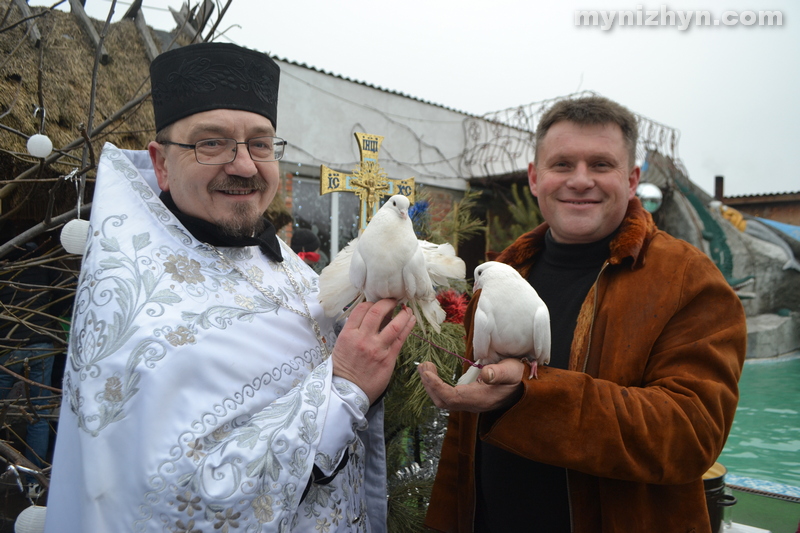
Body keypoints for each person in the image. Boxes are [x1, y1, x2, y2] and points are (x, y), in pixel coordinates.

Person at [44, 42, 415, 532]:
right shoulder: (132, 311)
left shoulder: (294, 272)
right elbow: (174, 501)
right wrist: (343, 392)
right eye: (211, 143)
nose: (244, 166)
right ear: (160, 163)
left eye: (261, 143)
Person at [418, 95, 746, 532]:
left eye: (601, 165)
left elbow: (691, 434)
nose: (580, 180)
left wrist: (529, 396)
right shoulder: (505, 271)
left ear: (632, 180)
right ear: (535, 178)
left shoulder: (689, 280)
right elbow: (463, 444)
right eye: (562, 164)